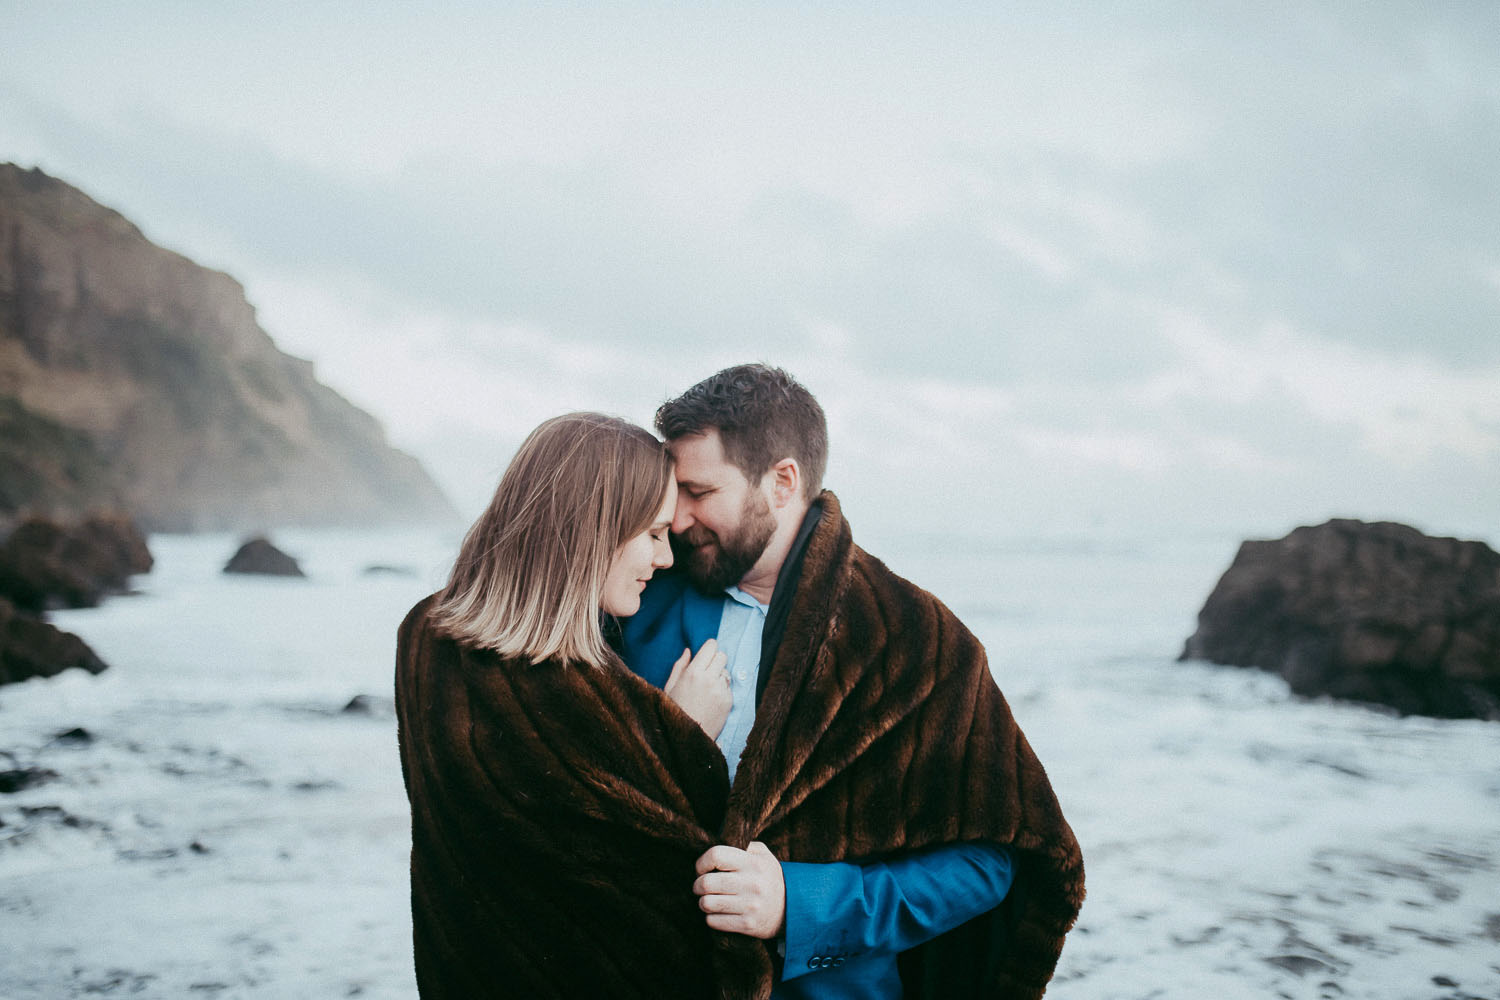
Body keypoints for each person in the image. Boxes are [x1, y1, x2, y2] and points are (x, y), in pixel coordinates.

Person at [619, 365, 1086, 1000]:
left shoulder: (914, 636)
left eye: (699, 492)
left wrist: (800, 905)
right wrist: (664, 736)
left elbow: (989, 860)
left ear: (782, 482)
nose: (675, 519)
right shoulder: (635, 598)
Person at [395, 412, 756, 999]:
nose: (666, 559)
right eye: (653, 534)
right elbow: (654, 903)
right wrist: (682, 732)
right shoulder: (574, 700)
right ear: (593, 529)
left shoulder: (426, 639)